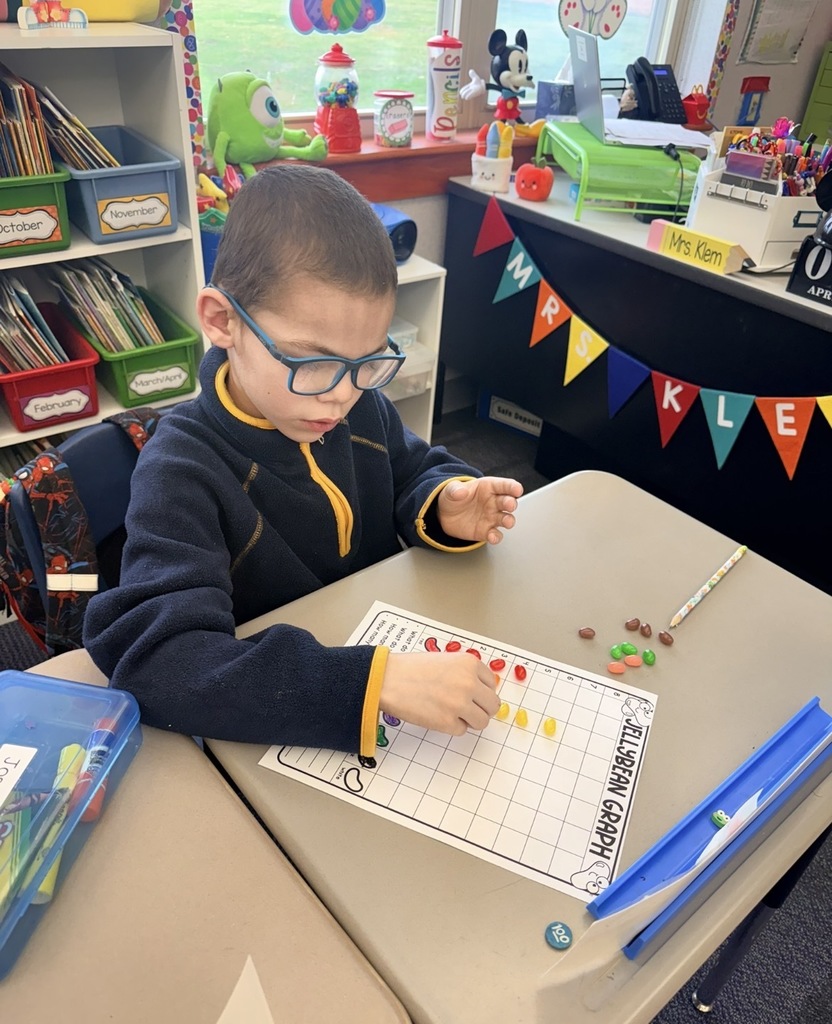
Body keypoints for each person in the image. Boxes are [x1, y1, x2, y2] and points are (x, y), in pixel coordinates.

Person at [84, 163, 523, 758]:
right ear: (222, 322)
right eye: (311, 362)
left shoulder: (356, 406)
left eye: (366, 360)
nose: (342, 394)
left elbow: (413, 469)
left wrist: (444, 504)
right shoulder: (180, 470)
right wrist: (370, 681)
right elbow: (159, 663)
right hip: (277, 723)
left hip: (374, 640)